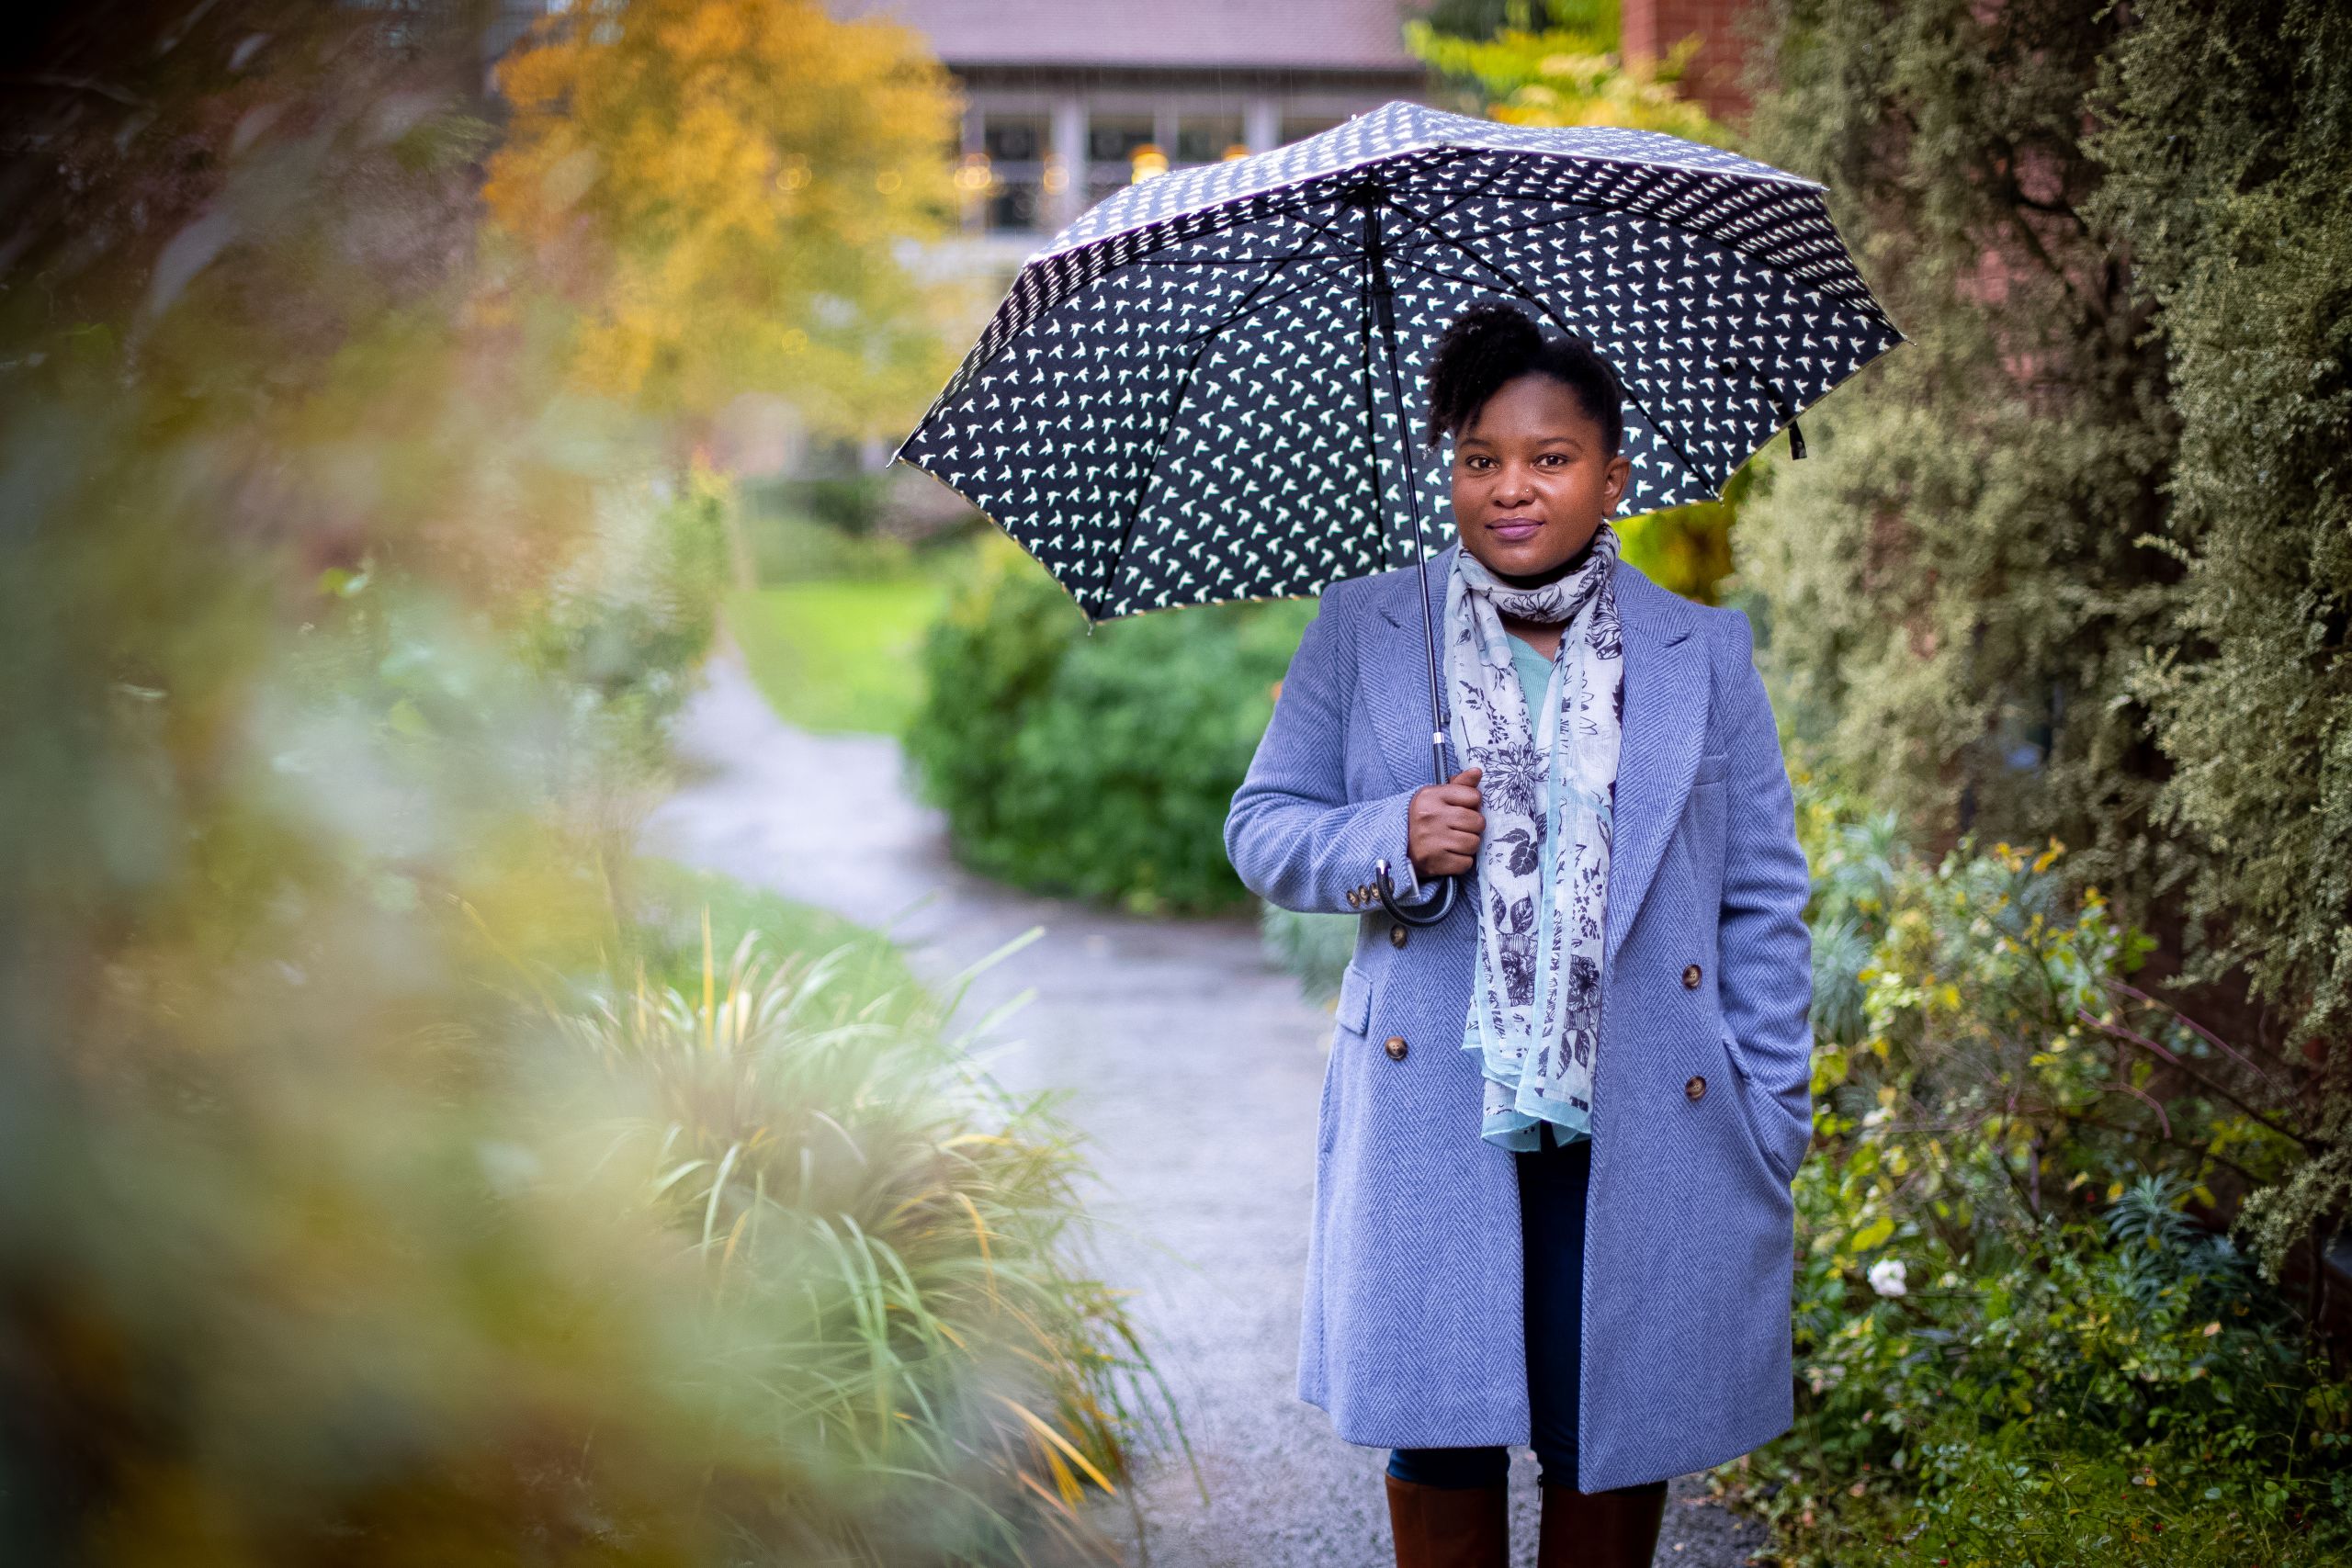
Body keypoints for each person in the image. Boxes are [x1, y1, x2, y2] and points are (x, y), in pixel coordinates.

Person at [1223, 301, 1815, 1568]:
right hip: (1440, 1103)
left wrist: (1775, 1106)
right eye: (1480, 456)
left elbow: (1763, 894)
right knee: (1439, 1436)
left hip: (1648, 1108)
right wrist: (1392, 834)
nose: (1510, 488)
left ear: (1615, 476)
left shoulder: (1702, 654)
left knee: (1612, 1426)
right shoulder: (1370, 630)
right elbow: (1264, 827)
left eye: (1549, 459)